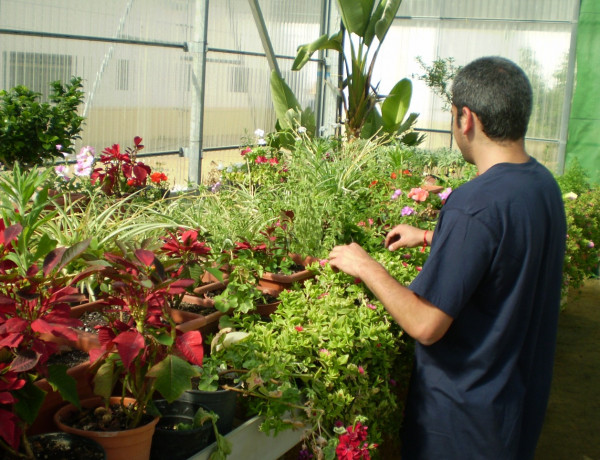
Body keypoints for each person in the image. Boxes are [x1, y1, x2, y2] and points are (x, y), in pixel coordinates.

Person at [328, 56, 566, 460]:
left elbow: (426, 324)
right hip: (513, 413)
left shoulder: (474, 205)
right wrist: (428, 236)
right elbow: (508, 247)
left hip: (462, 426)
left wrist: (366, 266)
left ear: (466, 118)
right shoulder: (541, 186)